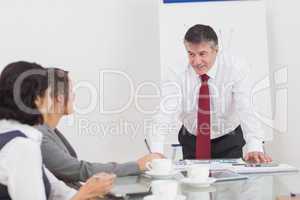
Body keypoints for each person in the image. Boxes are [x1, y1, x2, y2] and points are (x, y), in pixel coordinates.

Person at [149, 24, 272, 163]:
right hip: (192, 140)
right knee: (194, 182)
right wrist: (156, 152)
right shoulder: (176, 72)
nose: (196, 61)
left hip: (228, 138)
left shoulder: (235, 67)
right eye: (191, 54)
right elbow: (165, 112)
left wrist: (254, 146)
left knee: (230, 184)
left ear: (216, 50)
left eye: (202, 54)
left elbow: (246, 108)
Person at [0, 61, 115, 200]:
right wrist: (87, 192)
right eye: (49, 95)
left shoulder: (17, 138)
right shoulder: (21, 146)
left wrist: (89, 192)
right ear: (37, 99)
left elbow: (57, 190)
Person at [35, 67, 163, 189]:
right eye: (71, 91)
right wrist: (136, 166)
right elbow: (78, 170)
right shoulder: (39, 135)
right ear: (59, 98)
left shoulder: (48, 131)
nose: (74, 96)